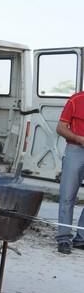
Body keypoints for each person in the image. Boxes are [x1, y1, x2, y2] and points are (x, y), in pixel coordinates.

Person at [56, 90, 84, 254]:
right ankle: (64, 238)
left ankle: (81, 238)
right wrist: (79, 139)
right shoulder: (76, 100)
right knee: (67, 195)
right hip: (75, 149)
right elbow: (60, 128)